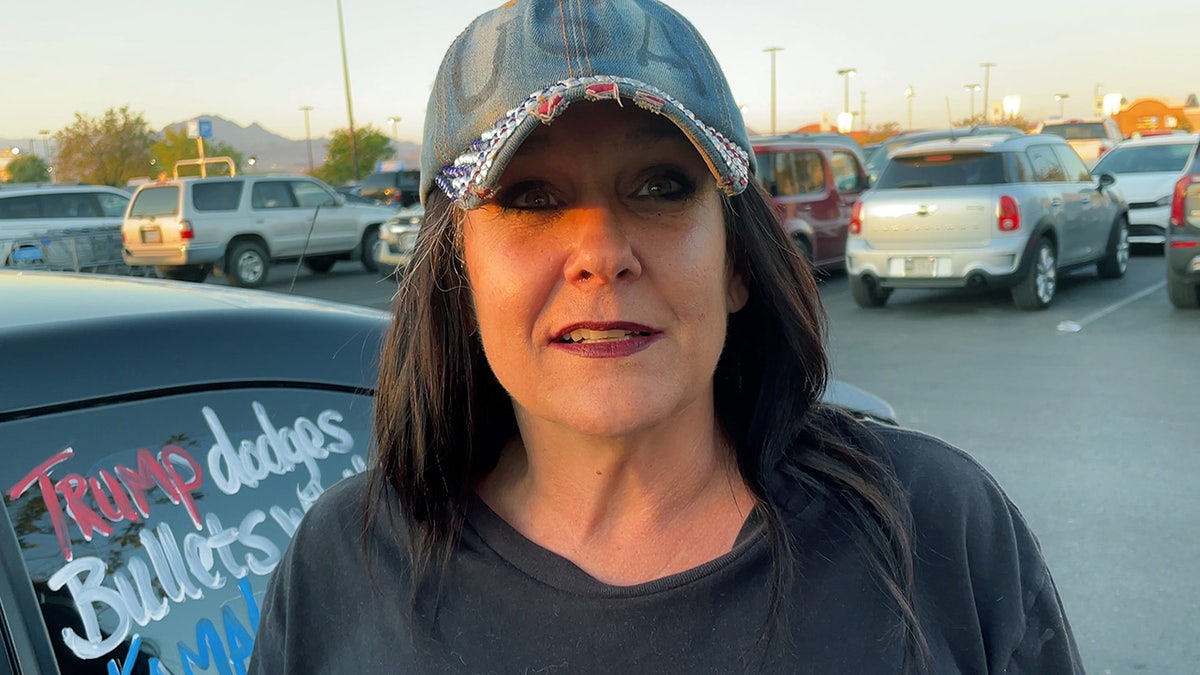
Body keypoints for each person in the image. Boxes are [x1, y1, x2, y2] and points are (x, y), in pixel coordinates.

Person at [249, 1, 1085, 673]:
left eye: (661, 185)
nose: (604, 255)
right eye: (531, 198)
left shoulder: (938, 529)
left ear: (737, 260)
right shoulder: (342, 567)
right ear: (456, 272)